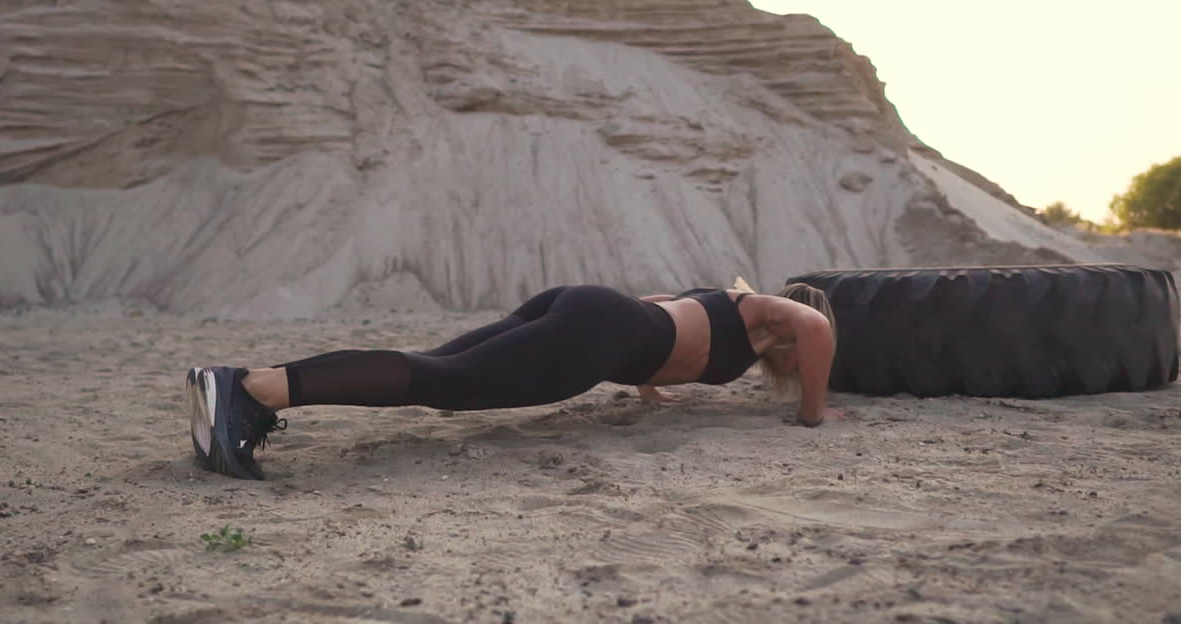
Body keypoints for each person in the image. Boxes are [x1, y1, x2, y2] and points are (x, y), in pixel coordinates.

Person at [186, 279, 842, 480]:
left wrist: (647, 386)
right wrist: (812, 413)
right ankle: (246, 392)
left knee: (436, 369)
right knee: (444, 382)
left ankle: (247, 393)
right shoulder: (766, 314)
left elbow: (665, 324)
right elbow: (815, 334)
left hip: (597, 312)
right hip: (598, 332)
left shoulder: (737, 319)